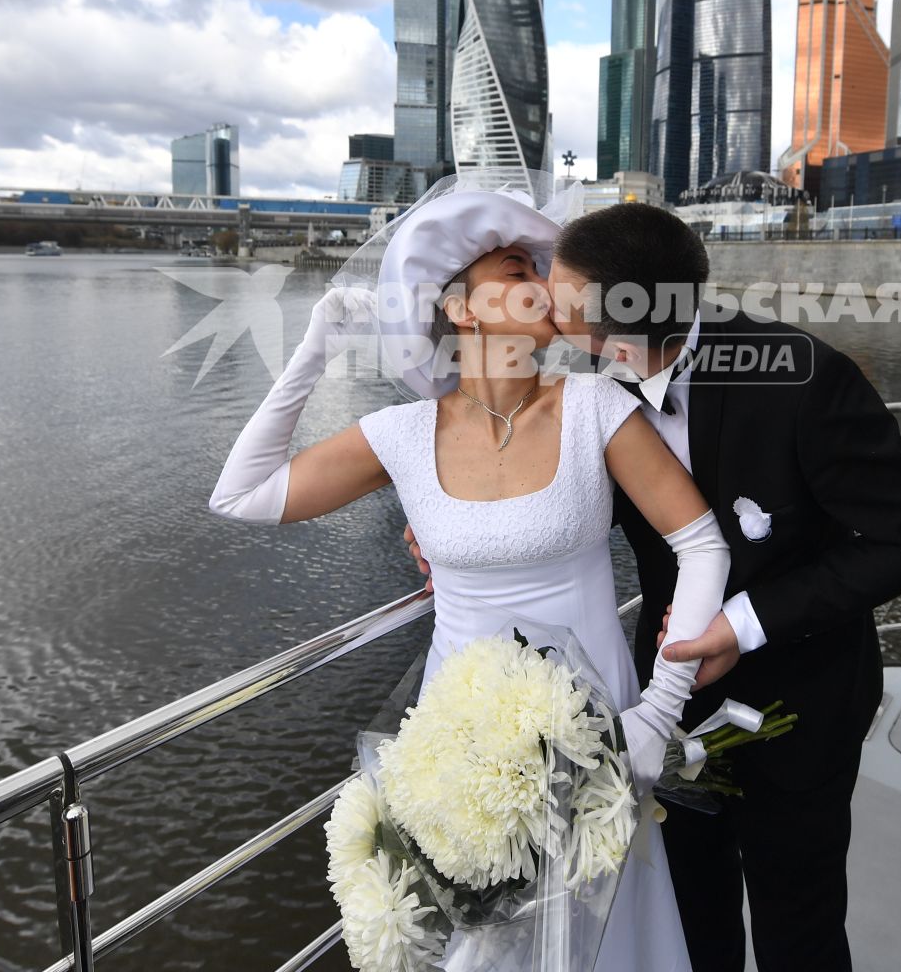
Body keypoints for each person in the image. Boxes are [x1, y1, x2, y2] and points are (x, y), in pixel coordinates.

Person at [416, 202, 901, 971]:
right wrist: (449, 525)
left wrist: (744, 623)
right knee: (692, 916)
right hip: (661, 710)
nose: (543, 297)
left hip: (802, 708)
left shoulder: (805, 378)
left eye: (561, 294)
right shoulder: (595, 391)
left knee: (796, 925)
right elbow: (569, 507)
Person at [208, 183, 726, 972]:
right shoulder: (403, 434)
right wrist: (313, 348)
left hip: (600, 724)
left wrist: (658, 712)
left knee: (604, 929)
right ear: (462, 310)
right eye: (518, 268)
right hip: (461, 738)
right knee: (485, 937)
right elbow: (242, 495)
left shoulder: (595, 406)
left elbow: (701, 544)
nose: (543, 283)